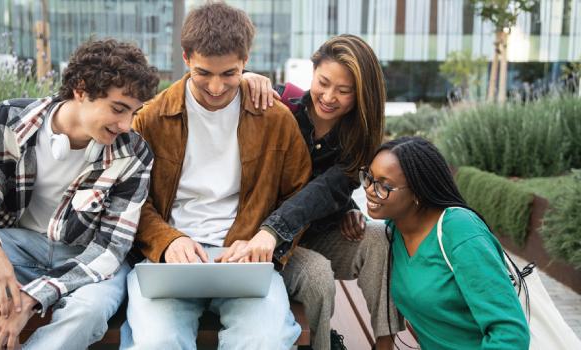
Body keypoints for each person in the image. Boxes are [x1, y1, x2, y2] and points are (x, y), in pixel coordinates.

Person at [0, 39, 159, 350]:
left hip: (88, 262)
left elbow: (110, 249)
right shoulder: (6, 121)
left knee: (89, 312)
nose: (126, 124)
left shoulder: (134, 154)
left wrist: (30, 298)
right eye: (118, 109)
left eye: (134, 112)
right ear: (81, 90)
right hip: (18, 248)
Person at [119, 2, 312, 349]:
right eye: (204, 73)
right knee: (157, 341)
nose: (217, 87)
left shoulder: (274, 119)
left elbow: (298, 196)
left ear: (246, 61)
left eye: (230, 73)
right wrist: (167, 240)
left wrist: (264, 238)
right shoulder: (150, 119)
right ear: (186, 57)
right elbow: (128, 200)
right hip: (170, 261)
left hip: (243, 259)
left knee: (263, 341)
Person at [242, 34, 401, 350]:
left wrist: (345, 209)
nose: (329, 97)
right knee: (316, 275)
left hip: (315, 234)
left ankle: (385, 343)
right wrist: (244, 78)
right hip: (264, 239)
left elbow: (324, 191)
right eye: (323, 82)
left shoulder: (358, 140)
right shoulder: (279, 105)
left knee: (378, 237)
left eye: (344, 91)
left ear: (361, 96)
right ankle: (321, 342)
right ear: (312, 72)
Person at [364, 136, 529, 349]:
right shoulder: (394, 230)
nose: (369, 190)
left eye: (384, 185)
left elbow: (510, 333)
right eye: (369, 178)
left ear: (418, 192)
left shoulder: (460, 230)